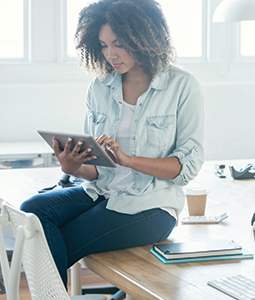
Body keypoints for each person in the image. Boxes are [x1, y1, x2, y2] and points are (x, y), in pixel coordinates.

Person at [20, 0, 205, 287]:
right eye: (103, 45)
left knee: (52, 241)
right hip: (102, 191)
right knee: (33, 209)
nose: (110, 54)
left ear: (144, 37)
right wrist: (73, 166)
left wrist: (129, 160)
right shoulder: (100, 86)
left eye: (117, 44)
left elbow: (187, 167)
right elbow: (96, 169)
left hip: (151, 205)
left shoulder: (183, 86)